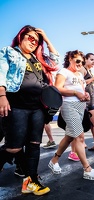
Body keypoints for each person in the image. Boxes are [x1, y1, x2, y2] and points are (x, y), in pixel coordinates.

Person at [0, 25, 59, 195]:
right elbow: (1, 72)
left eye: (37, 40)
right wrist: (1, 95)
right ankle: (30, 179)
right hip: (17, 105)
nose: (34, 42)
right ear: (21, 37)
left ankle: (31, 182)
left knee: (34, 145)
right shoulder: (9, 52)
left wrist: (46, 39)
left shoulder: (38, 58)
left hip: (38, 108)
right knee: (13, 147)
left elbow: (55, 60)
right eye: (30, 38)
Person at [48, 50, 94, 180]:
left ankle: (54, 161)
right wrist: (75, 93)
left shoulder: (79, 74)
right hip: (68, 106)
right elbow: (57, 89)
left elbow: (81, 91)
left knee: (69, 136)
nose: (80, 63)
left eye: (82, 62)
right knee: (80, 137)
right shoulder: (63, 72)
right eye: (77, 61)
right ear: (70, 59)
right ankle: (87, 169)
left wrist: (85, 95)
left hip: (80, 107)